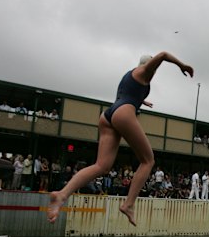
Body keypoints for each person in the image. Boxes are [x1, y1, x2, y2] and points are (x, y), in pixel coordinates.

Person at [48, 52, 194, 225]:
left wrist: (142, 101)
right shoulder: (146, 71)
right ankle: (128, 204)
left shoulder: (130, 74)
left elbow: (128, 93)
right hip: (123, 113)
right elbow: (162, 55)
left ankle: (62, 195)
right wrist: (181, 65)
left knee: (101, 166)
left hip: (108, 116)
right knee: (148, 161)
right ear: (149, 65)